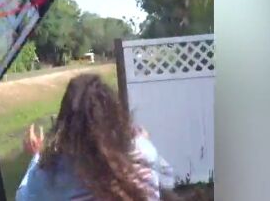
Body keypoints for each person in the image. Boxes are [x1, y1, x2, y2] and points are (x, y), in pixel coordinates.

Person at [15, 73, 173, 200]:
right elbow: (168, 180)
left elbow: (22, 197)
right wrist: (144, 142)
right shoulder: (143, 151)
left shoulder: (51, 175)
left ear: (66, 124)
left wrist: (37, 156)